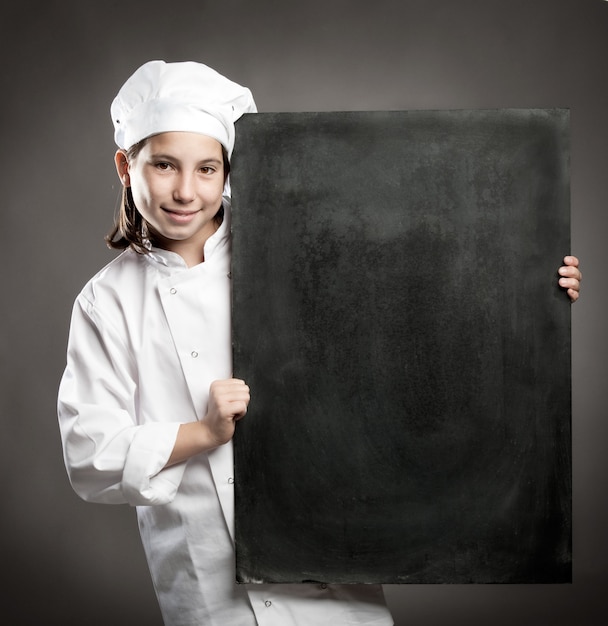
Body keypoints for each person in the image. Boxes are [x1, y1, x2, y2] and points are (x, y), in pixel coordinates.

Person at [57, 60, 582, 626]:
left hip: (332, 569)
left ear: (228, 171)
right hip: (206, 592)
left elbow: (427, 319)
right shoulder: (104, 302)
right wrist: (201, 434)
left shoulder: (297, 251)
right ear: (124, 165)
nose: (186, 190)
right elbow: (91, 455)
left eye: (207, 168)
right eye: (163, 165)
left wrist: (533, 294)